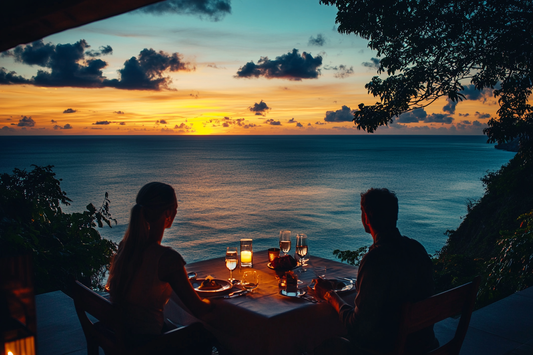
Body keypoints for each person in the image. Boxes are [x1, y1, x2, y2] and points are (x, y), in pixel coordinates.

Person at [314, 188, 438, 354]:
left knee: (325, 345)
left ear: (366, 218)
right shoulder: (417, 249)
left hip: (388, 349)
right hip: (423, 345)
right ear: (395, 216)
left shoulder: (376, 260)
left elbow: (356, 328)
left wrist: (330, 296)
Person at [106, 182, 213, 348]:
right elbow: (199, 309)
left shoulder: (125, 247)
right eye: (176, 208)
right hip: (147, 345)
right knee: (202, 333)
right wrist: (213, 301)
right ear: (168, 213)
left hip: (123, 336)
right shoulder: (167, 259)